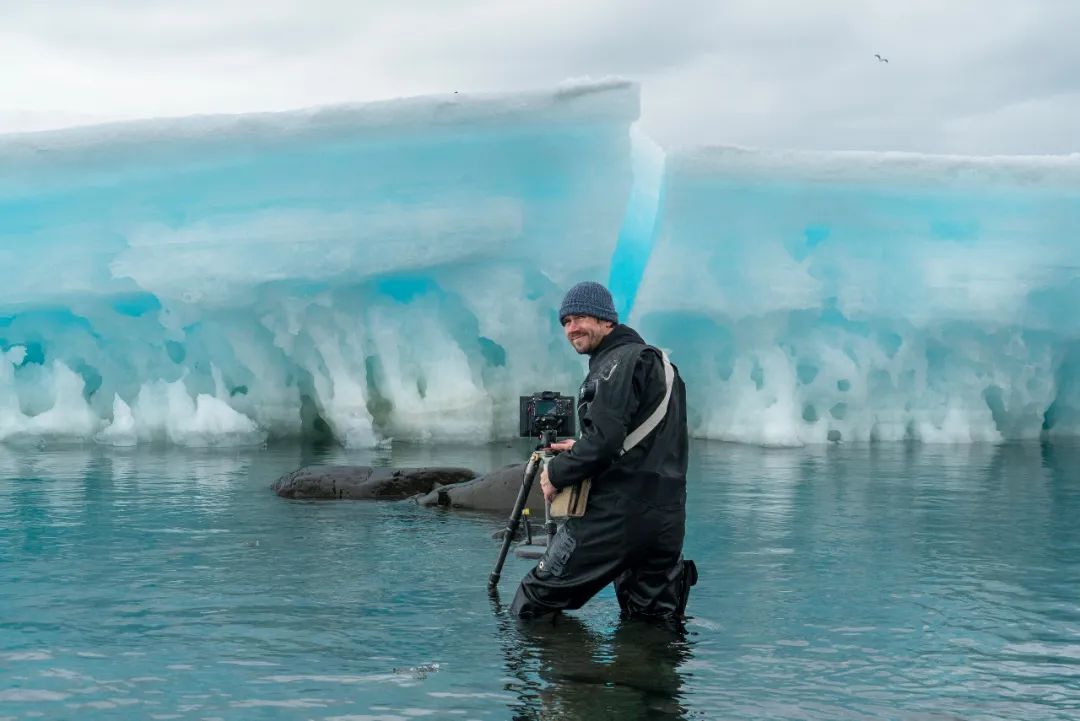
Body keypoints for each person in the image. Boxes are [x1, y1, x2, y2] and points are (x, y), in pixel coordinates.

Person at [510, 281, 696, 619]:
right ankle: (644, 670)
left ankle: (575, 673)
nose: (572, 328)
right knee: (653, 621)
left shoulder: (615, 363)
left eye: (580, 317)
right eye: (565, 321)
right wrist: (582, 445)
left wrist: (556, 473)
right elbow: (644, 442)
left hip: (619, 513)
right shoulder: (664, 367)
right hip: (667, 517)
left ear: (606, 320)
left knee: (533, 602)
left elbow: (606, 443)